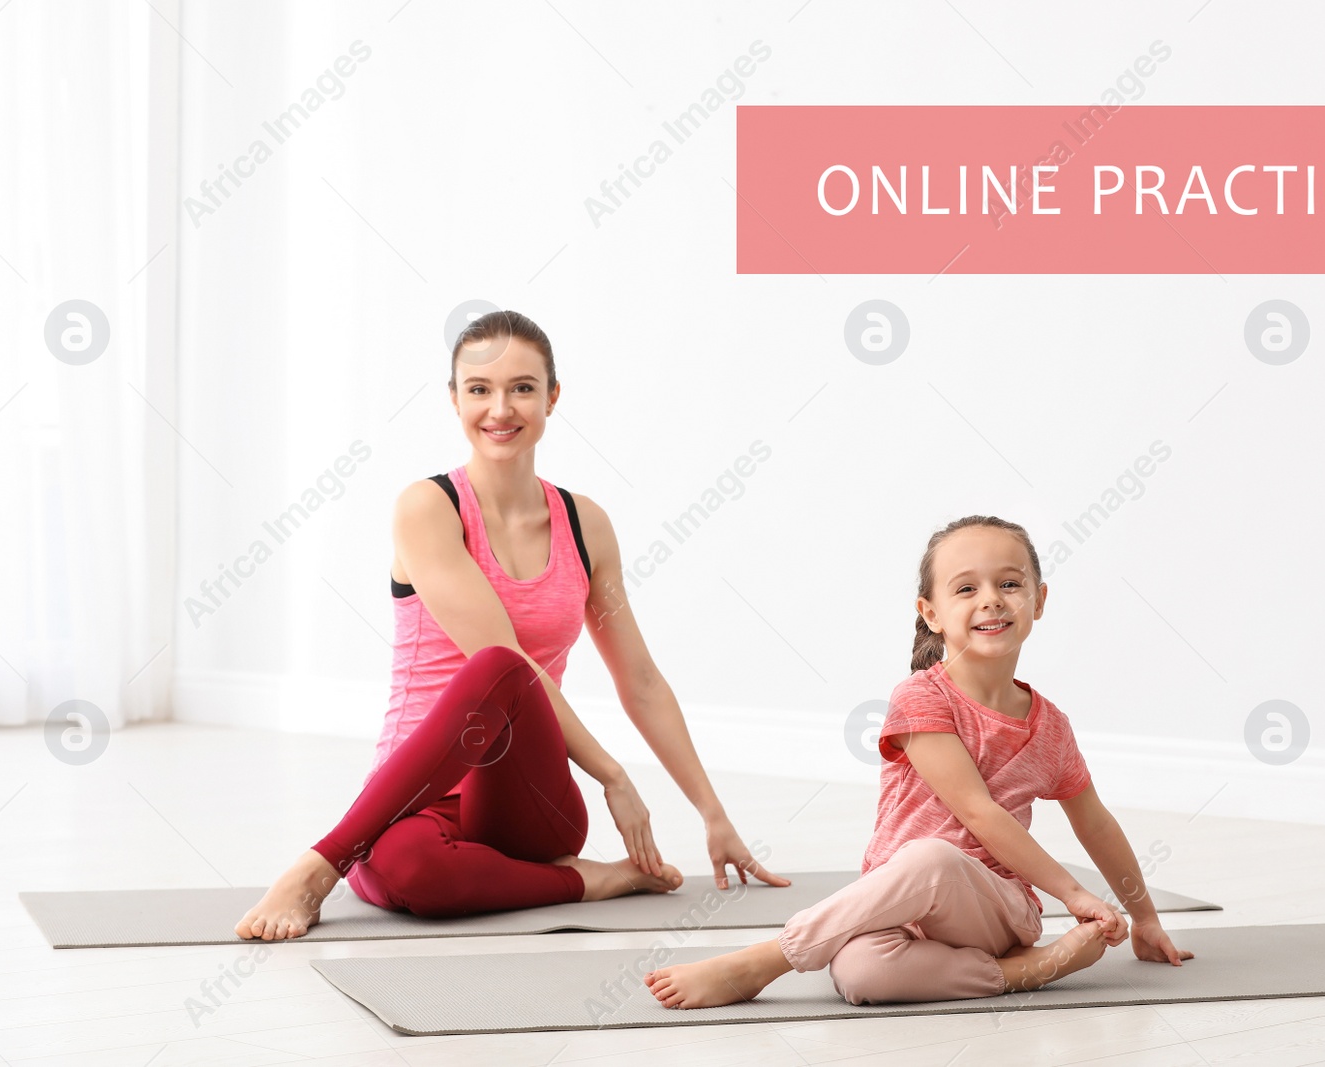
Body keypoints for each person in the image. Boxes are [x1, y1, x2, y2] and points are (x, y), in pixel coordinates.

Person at [235, 310, 788, 940]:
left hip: (528, 800)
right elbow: (503, 657)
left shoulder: (586, 525)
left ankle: (326, 867)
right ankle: (588, 880)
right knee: (412, 868)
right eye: (479, 389)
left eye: (523, 387)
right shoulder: (429, 508)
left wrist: (713, 815)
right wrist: (613, 774)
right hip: (415, 794)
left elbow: (640, 681)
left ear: (552, 397)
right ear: (455, 400)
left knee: (500, 667)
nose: (501, 408)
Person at [644, 516, 1194, 1007]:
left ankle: (764, 961)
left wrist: (1144, 918)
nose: (991, 599)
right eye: (966, 588)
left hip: (993, 909)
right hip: (897, 909)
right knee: (861, 976)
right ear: (931, 613)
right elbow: (974, 808)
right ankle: (1022, 974)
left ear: (1039, 601)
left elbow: (1091, 821)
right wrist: (1075, 897)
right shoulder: (921, 696)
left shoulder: (1050, 727)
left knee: (932, 858)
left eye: (1009, 584)